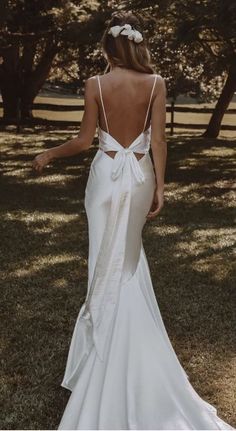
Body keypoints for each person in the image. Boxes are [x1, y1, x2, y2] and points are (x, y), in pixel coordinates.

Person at [32, 11, 235, 431]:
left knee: (101, 263)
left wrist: (50, 154)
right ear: (136, 46)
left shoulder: (95, 85)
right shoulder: (157, 83)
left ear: (109, 48)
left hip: (105, 178)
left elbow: (84, 141)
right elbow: (158, 140)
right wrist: (160, 186)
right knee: (126, 262)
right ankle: (121, 350)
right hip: (140, 175)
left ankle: (102, 353)